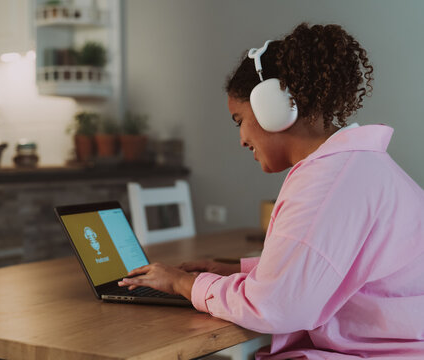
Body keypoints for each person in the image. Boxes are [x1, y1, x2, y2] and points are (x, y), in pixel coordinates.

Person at [119, 23, 424, 359]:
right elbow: (324, 271)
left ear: (273, 106)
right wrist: (242, 273)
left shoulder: (329, 183)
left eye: (239, 120)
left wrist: (183, 284)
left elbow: (279, 307)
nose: (241, 139)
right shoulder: (355, 167)